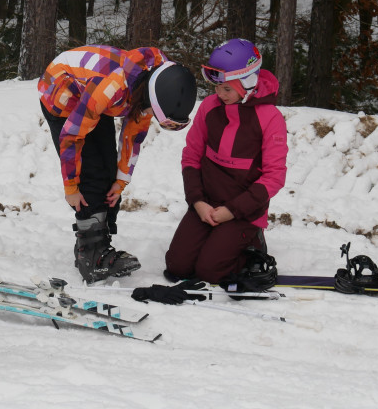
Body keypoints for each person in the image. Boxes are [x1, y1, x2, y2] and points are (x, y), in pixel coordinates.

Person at [38, 45, 197, 283]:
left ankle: (98, 241)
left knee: (108, 169)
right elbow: (72, 136)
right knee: (90, 171)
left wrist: (121, 180)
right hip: (61, 93)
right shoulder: (110, 88)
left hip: (92, 94)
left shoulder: (157, 82)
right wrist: (71, 186)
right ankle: (91, 256)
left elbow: (133, 135)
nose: (150, 115)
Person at [163, 38, 288, 288]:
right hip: (206, 203)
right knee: (177, 266)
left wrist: (232, 210)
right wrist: (197, 202)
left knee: (210, 271)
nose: (220, 94)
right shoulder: (209, 107)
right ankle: (217, 237)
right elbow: (191, 157)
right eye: (217, 87)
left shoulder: (270, 118)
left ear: (248, 83)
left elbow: (274, 176)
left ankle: (253, 241)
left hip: (242, 211)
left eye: (227, 89)